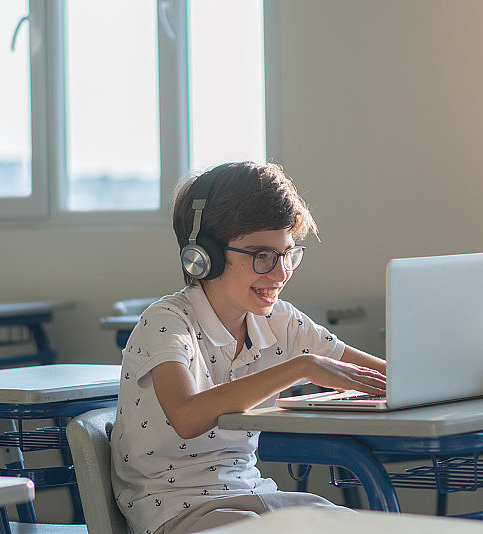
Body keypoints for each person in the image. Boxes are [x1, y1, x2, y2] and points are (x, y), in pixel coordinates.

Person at [111, 162, 387, 534]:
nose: (281, 272)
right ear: (203, 257)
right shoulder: (167, 322)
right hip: (176, 511)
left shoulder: (280, 320)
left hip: (252, 494)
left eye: (287, 253)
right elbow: (187, 416)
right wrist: (300, 367)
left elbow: (381, 374)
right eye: (262, 255)